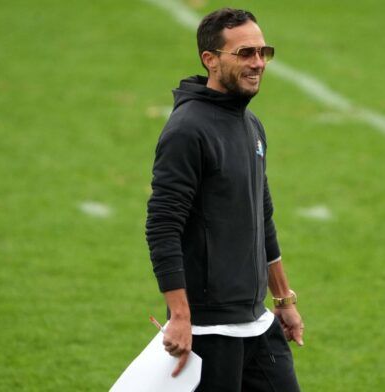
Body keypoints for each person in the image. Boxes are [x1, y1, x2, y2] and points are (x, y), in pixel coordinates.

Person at [145, 7, 303, 392]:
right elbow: (163, 225)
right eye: (245, 53)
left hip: (258, 322)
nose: (258, 63)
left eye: (263, 53)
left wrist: (282, 298)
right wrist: (180, 316)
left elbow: (260, 214)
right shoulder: (187, 131)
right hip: (209, 330)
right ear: (210, 60)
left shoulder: (251, 124)